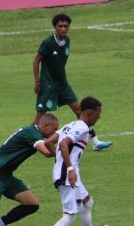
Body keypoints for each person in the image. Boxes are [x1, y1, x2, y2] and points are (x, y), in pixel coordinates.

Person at [29, 96, 104, 226]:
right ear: (90, 113)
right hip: (67, 175)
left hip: (65, 172)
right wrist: (69, 168)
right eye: (98, 115)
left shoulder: (71, 124)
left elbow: (48, 142)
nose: (99, 118)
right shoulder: (82, 127)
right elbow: (63, 145)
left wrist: (60, 159)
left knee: (87, 202)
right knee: (69, 216)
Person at [32, 12, 113, 151]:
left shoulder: (67, 41)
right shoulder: (48, 43)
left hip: (63, 84)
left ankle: (96, 142)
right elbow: (36, 61)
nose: (63, 29)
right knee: (39, 118)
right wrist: (37, 81)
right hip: (48, 86)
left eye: (65, 26)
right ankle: (25, 140)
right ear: (55, 27)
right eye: (60, 26)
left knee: (80, 111)